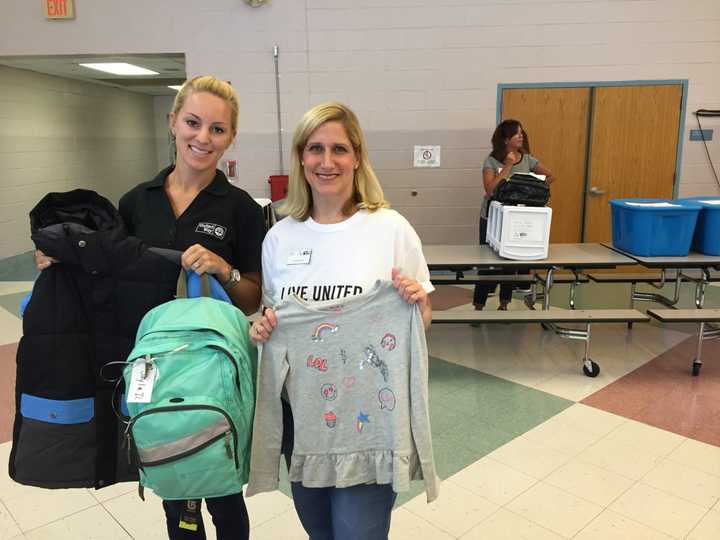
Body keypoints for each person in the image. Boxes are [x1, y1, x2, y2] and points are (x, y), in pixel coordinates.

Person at [36, 75, 265, 540]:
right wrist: (63, 259)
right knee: (169, 473)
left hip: (211, 363)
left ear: (231, 138)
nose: (203, 138)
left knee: (221, 484)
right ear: (172, 123)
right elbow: (110, 269)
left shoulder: (240, 208)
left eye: (217, 129)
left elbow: (252, 297)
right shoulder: (135, 202)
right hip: (152, 362)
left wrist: (225, 269)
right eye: (193, 123)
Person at [248, 101, 434, 540]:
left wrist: (417, 303)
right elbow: (274, 320)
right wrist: (261, 329)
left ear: (357, 157)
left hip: (369, 421)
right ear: (300, 158)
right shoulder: (279, 238)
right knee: (320, 531)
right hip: (305, 421)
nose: (326, 162)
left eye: (339, 149)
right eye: (315, 149)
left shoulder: (391, 228)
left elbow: (420, 321)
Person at [473, 119, 555, 310]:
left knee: (510, 262)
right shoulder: (491, 160)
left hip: (517, 221)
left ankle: (504, 304)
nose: (521, 136)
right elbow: (490, 190)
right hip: (492, 220)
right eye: (516, 133)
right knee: (487, 263)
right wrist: (508, 166)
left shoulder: (528, 160)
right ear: (505, 139)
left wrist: (532, 191)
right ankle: (479, 305)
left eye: (521, 133)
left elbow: (551, 176)